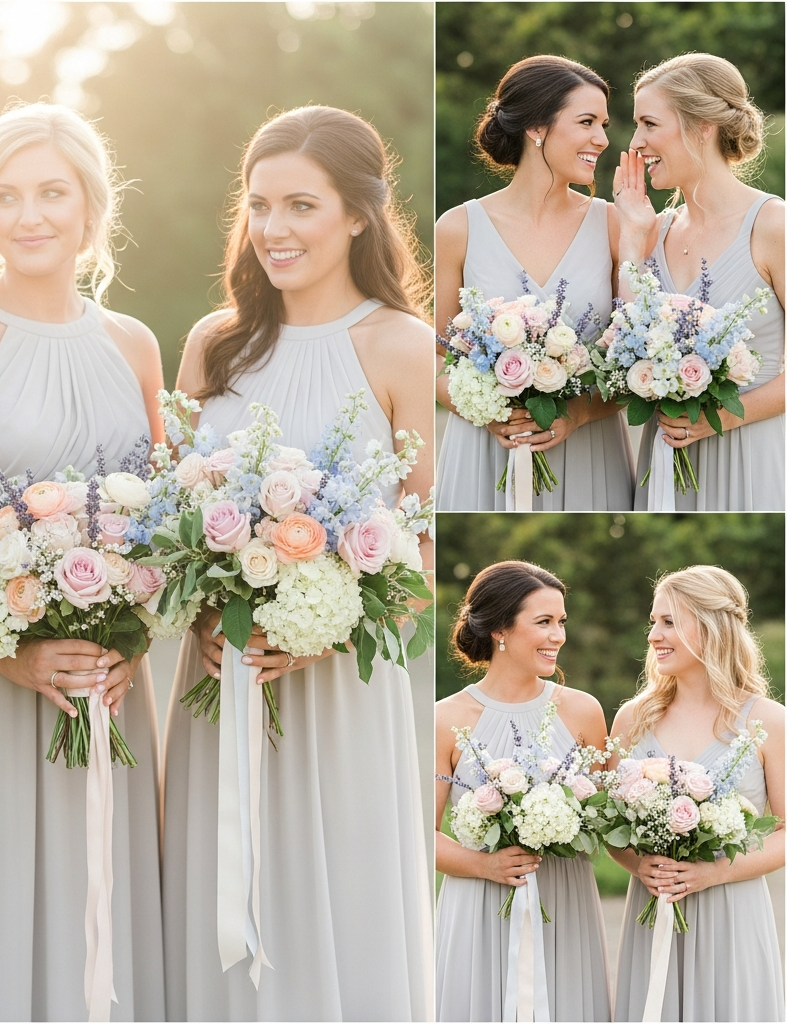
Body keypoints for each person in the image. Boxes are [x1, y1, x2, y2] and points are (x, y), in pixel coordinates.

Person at [0, 102, 165, 1021]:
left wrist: (133, 641)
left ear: (91, 207)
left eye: (52, 192)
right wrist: (15, 657)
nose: (29, 215)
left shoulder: (134, 346)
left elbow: (167, 531)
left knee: (103, 927)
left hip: (112, 693)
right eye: (4, 196)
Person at [162, 105, 434, 1021]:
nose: (274, 230)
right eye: (260, 205)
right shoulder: (215, 343)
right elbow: (177, 518)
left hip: (341, 696)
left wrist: (322, 631)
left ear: (359, 214)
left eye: (302, 206)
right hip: (220, 688)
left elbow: (422, 552)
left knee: (340, 913)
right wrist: (208, 612)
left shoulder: (403, 347)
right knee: (218, 922)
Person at [435, 55, 634, 511]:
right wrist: (488, 416)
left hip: (587, 451)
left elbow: (635, 360)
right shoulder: (459, 227)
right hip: (485, 453)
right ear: (537, 127)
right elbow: (438, 361)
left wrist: (579, 413)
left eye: (603, 124)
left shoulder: (614, 224)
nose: (601, 139)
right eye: (586, 122)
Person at [435, 560, 611, 1022]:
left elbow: (610, 817)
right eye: (544, 622)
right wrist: (484, 863)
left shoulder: (583, 711)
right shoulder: (444, 719)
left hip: (564, 901)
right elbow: (417, 834)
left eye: (561, 622)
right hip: (479, 903)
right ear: (500, 630)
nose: (559, 636)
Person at [608, 565, 785, 1021]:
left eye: (669, 622)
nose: (653, 635)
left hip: (733, 914)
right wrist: (640, 863)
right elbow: (609, 826)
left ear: (711, 627)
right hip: (652, 908)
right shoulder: (632, 719)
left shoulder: (768, 720)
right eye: (653, 622)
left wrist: (716, 873)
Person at [613, 53, 785, 510]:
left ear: (703, 125)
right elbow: (630, 340)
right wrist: (632, 237)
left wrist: (717, 419)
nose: (635, 142)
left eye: (650, 124)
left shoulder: (773, 227)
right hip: (664, 460)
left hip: (750, 457)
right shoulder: (658, 228)